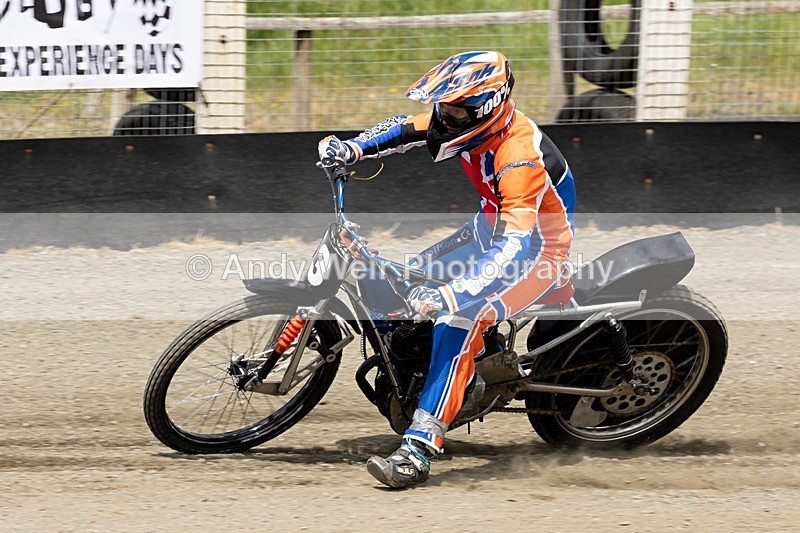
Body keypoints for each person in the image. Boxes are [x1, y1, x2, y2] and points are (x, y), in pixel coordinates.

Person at [318, 51, 576, 488]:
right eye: (443, 107)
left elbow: (515, 247)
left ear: (487, 108)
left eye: (455, 111)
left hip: (537, 254)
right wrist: (352, 147)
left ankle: (419, 449)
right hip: (486, 229)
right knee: (406, 281)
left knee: (458, 319)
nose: (443, 118)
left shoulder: (518, 158)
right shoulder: (468, 123)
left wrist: (452, 295)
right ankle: (421, 375)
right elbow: (406, 128)